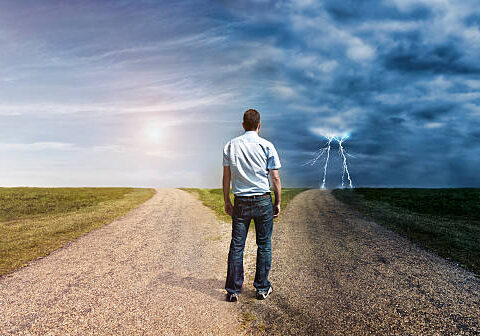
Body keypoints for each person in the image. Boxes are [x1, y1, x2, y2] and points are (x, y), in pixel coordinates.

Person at [222, 108, 282, 302]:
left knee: (237, 246)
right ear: (259, 125)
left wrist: (226, 200)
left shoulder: (230, 145)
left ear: (242, 125)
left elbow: (226, 177)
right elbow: (275, 177)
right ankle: (262, 288)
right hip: (263, 200)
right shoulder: (267, 145)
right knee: (263, 245)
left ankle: (233, 290)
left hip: (240, 201)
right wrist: (278, 202)